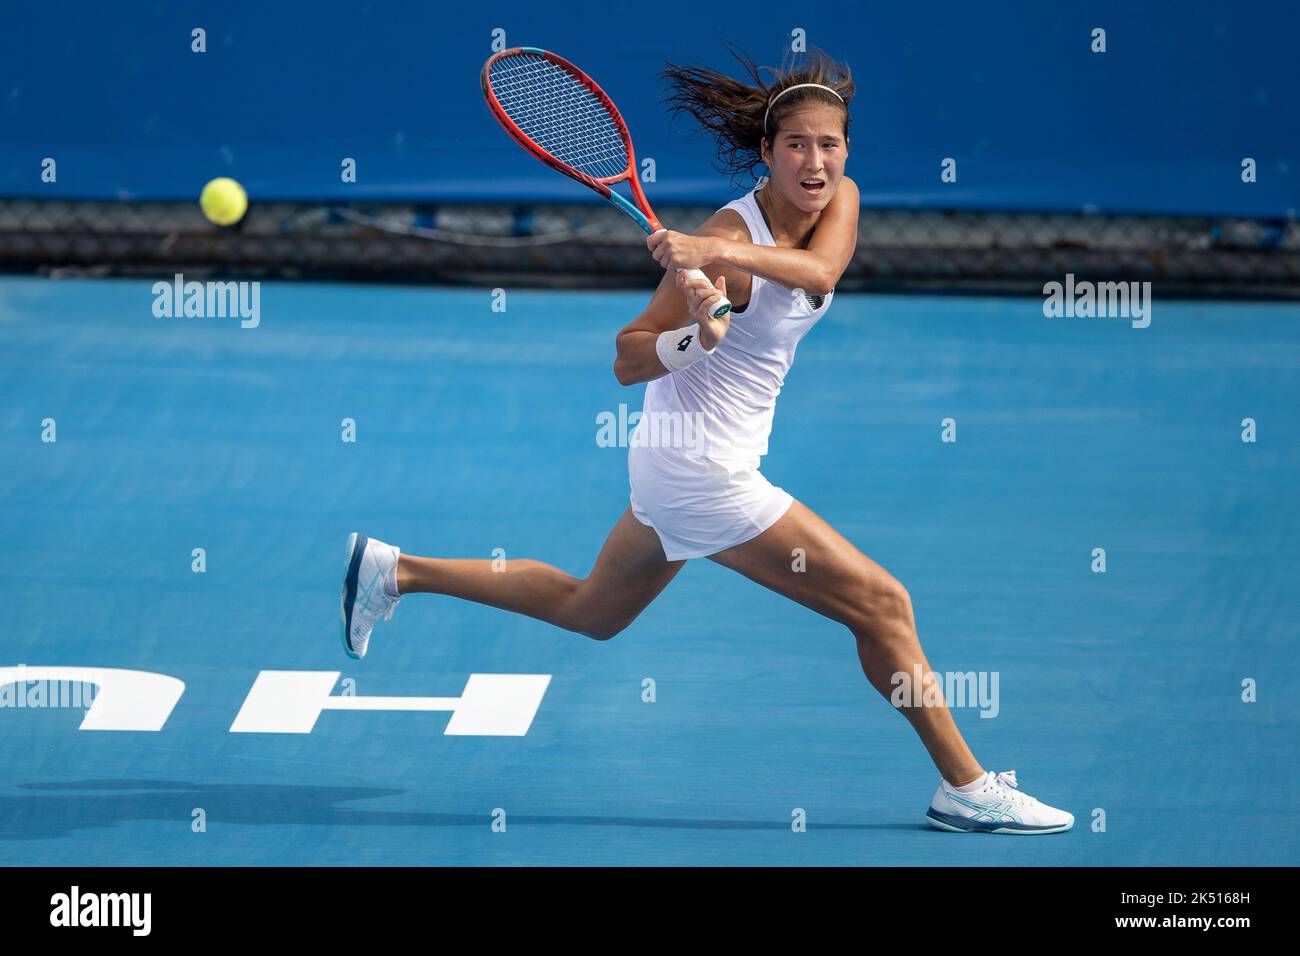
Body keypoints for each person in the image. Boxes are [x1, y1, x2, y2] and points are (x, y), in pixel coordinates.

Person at [340, 49, 1073, 835]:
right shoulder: (728, 229)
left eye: (830, 144)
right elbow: (628, 356)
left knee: (593, 610)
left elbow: (820, 273)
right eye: (796, 145)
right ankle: (964, 786)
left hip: (690, 463)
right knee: (883, 604)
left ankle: (396, 571)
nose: (816, 161)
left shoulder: (815, 211)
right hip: (701, 470)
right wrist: (694, 339)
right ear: (767, 153)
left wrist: (711, 257)